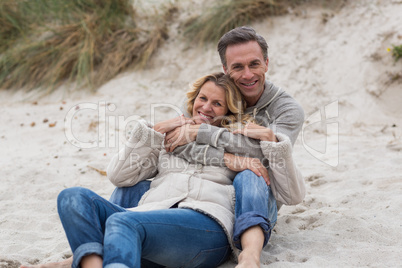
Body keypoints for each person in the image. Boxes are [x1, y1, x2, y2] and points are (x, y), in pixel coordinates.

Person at [21, 26, 305, 268]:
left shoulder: (284, 110)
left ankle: (250, 254)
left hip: (231, 208)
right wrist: (159, 133)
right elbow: (167, 149)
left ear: (266, 63)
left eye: (254, 64)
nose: (246, 75)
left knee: (249, 175)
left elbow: (270, 162)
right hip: (160, 211)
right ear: (225, 70)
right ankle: (90, 259)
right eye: (237, 67)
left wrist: (226, 148)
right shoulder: (196, 116)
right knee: (75, 197)